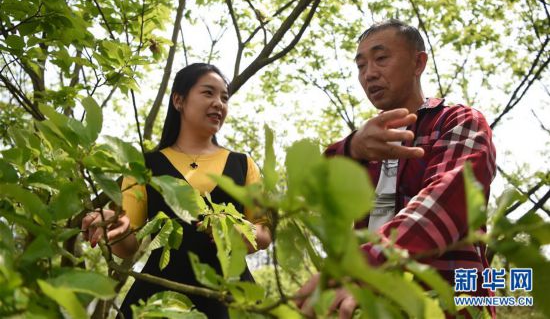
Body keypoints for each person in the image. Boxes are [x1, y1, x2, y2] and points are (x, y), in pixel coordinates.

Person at [296, 20, 496, 318]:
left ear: (418, 62)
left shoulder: (458, 122)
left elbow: (446, 201)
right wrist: (351, 149)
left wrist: (365, 267)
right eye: (361, 65)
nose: (369, 74)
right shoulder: (366, 142)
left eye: (381, 58)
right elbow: (308, 193)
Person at [81, 63, 271, 318]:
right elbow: (128, 242)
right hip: (159, 297)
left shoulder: (243, 164)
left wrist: (240, 231)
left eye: (224, 97)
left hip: (229, 297)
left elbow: (264, 231)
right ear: (179, 101)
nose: (219, 103)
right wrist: (110, 225)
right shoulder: (144, 166)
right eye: (208, 93)